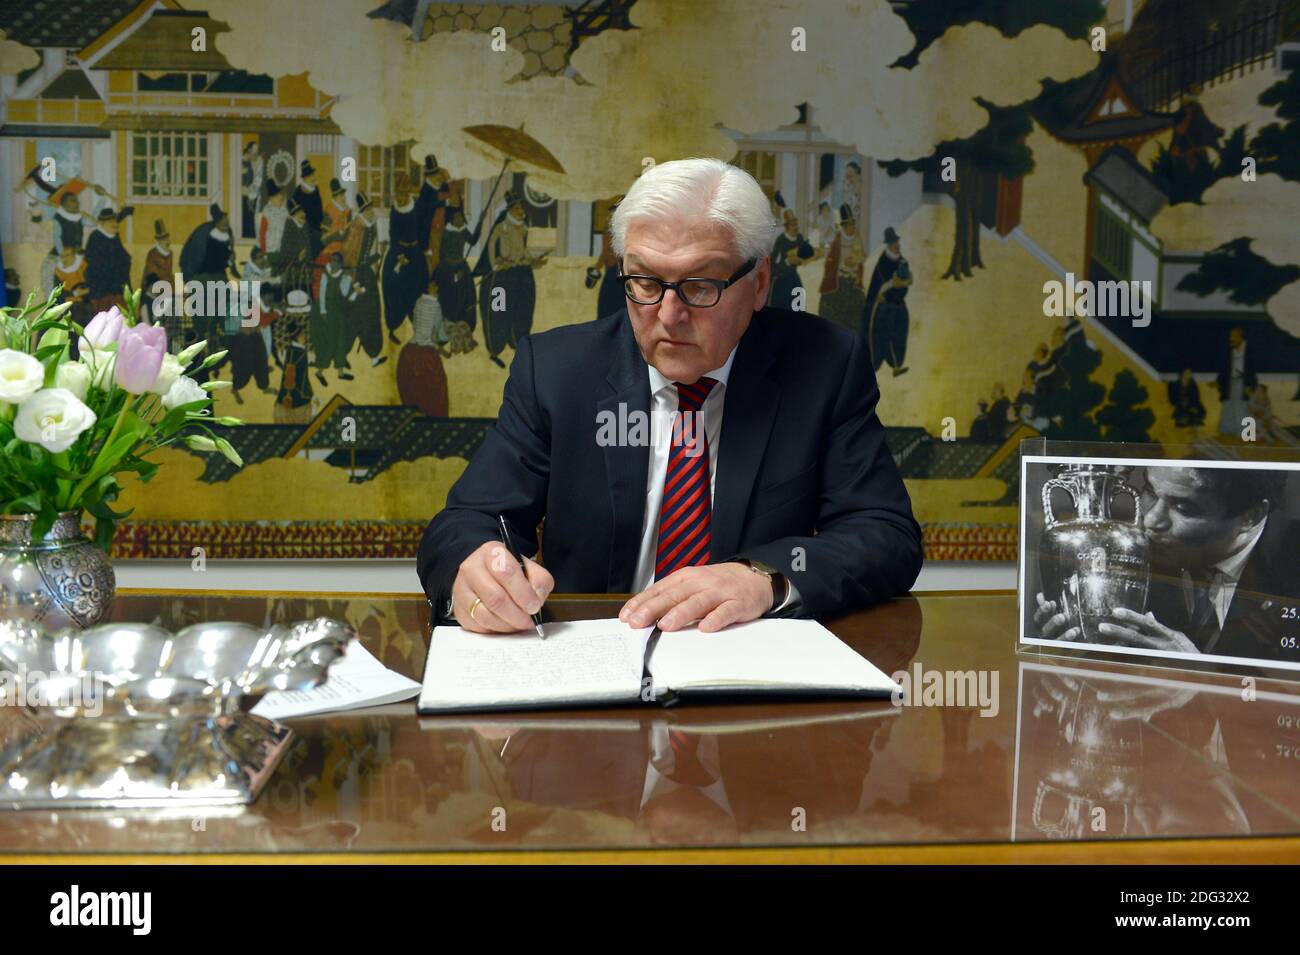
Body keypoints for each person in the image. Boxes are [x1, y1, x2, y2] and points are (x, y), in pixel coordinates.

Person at [417, 157, 921, 634]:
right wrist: (474, 569)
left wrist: (765, 578)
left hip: (747, 671)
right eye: (644, 280)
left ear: (760, 282)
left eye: (701, 286)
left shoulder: (824, 366)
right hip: (591, 666)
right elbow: (467, 522)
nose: (669, 315)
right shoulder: (556, 371)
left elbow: (884, 534)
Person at [1034, 466, 1298, 662]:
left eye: (1183, 507)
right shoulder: (1132, 553)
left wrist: (1204, 675)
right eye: (1149, 491)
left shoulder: (1289, 565)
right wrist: (1072, 651)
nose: (1150, 520)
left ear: (1250, 516)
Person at [475, 189, 546, 368]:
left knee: (522, 309)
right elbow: (491, 245)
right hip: (503, 276)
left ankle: (517, 342)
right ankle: (495, 348)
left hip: (521, 273)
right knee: (499, 310)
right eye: (518, 208)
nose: (521, 211)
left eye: (522, 208)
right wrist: (494, 265)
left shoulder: (523, 227)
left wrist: (533, 260)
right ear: (511, 210)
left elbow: (524, 251)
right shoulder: (502, 226)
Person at [341, 191, 386, 369]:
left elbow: (370, 253)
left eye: (371, 208)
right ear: (362, 211)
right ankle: (342, 355)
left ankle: (373, 354)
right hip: (355, 275)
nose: (371, 212)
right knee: (352, 316)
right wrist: (352, 277)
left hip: (367, 275)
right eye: (368, 209)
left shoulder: (372, 224)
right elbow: (349, 254)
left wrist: (378, 256)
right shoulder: (356, 227)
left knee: (372, 313)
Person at [382, 174, 428, 344]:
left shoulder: (416, 207)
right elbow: (393, 234)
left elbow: (423, 229)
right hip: (398, 252)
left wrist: (422, 248)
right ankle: (392, 327)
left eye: (404, 193)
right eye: (399, 193)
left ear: (409, 193)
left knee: (418, 288)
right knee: (393, 287)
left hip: (415, 253)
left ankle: (419, 330)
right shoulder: (395, 210)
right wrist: (399, 255)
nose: (401, 197)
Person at [397, 278, 451, 417]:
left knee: (412, 391)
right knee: (435, 393)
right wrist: (447, 338)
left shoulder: (419, 302)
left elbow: (416, 325)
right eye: (434, 287)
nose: (437, 289)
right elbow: (440, 332)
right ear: (428, 289)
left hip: (410, 351)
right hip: (426, 356)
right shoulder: (435, 305)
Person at [864, 226, 912, 377]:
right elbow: (876, 286)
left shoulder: (902, 260)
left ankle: (897, 365)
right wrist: (891, 286)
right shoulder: (883, 262)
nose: (896, 245)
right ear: (888, 245)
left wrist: (902, 282)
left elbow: (908, 280)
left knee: (899, 333)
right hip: (884, 305)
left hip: (898, 303)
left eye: (897, 242)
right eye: (893, 243)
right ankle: (872, 370)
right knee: (881, 336)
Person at [817, 204, 865, 335]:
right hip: (839, 285)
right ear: (843, 226)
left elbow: (861, 259)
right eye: (849, 225)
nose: (852, 228)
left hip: (853, 285)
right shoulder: (837, 241)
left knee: (856, 322)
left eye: (853, 224)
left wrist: (856, 263)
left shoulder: (857, 239)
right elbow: (830, 263)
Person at [84, 207, 133, 313]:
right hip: (102, 291)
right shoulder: (96, 237)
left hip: (117, 289)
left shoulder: (114, 237)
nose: (115, 223)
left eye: (115, 220)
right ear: (102, 223)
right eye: (111, 221)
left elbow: (123, 257)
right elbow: (94, 262)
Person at [769, 208, 814, 312]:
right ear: (786, 226)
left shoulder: (799, 238)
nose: (795, 227)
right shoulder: (781, 240)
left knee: (799, 309)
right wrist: (788, 262)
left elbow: (806, 253)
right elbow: (774, 265)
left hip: (794, 279)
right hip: (781, 281)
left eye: (795, 224)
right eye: (792, 224)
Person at [1216, 327, 1255, 437]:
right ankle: (1227, 432)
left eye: (1233, 336)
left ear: (1241, 337)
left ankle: (1246, 435)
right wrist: (1218, 381)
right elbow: (1224, 368)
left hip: (1244, 383)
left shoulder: (1250, 350)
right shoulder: (1229, 350)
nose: (1231, 339)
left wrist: (1250, 386)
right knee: (1228, 407)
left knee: (1243, 408)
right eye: (1230, 336)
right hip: (1230, 383)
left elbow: (1253, 370)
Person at [140, 219, 173, 326]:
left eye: (167, 238)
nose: (167, 241)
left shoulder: (169, 254)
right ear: (159, 240)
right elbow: (151, 275)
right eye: (164, 239)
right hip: (154, 292)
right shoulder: (153, 254)